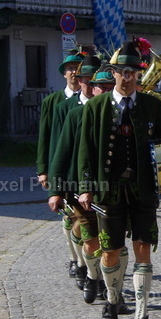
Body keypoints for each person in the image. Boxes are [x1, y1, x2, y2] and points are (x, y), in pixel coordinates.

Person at [77, 41, 161, 319]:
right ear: (113, 73)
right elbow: (86, 149)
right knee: (110, 252)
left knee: (143, 249)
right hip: (108, 191)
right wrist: (86, 187)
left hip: (143, 190)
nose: (127, 77)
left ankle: (142, 315)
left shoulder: (153, 105)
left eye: (132, 72)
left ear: (138, 74)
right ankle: (112, 301)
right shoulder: (96, 107)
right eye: (122, 71)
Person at [46, 53, 102, 299]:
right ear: (80, 81)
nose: (90, 86)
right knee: (78, 226)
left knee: (104, 235)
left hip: (104, 183)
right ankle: (81, 264)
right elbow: (57, 145)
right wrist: (54, 182)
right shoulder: (66, 108)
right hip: (73, 178)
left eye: (95, 81)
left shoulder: (109, 108)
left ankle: (100, 277)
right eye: (86, 81)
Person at [37, 49, 84, 278]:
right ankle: (74, 257)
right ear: (64, 73)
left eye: (77, 69)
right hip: (60, 163)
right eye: (70, 69)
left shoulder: (91, 98)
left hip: (80, 165)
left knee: (81, 216)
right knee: (67, 215)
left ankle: (85, 259)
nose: (74, 72)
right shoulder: (53, 101)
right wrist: (43, 169)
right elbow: (45, 135)